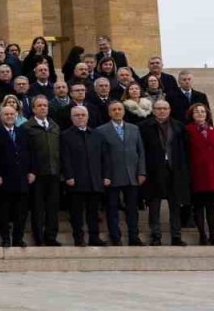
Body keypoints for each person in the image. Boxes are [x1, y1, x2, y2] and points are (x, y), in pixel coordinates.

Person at [139, 99, 190, 246]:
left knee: (175, 206)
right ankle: (156, 236)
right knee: (154, 206)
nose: (162, 111)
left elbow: (185, 151)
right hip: (154, 171)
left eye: (165, 108)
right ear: (153, 110)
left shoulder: (179, 127)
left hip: (175, 171)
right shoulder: (144, 127)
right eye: (158, 108)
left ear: (170, 110)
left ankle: (176, 236)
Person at [97, 102, 146, 246]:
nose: (117, 112)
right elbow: (99, 156)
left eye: (119, 109)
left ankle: (134, 237)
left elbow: (140, 152)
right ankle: (115, 237)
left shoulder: (134, 129)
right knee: (112, 208)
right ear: (109, 113)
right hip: (111, 175)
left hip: (132, 174)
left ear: (124, 112)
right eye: (114, 110)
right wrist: (104, 175)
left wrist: (141, 171)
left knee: (132, 209)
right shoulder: (101, 130)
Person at [61, 106, 107, 246]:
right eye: (77, 115)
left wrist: (106, 176)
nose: (80, 117)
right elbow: (65, 158)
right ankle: (79, 238)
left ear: (87, 117)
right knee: (76, 213)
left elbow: (104, 157)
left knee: (93, 212)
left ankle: (94, 237)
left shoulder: (97, 135)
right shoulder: (65, 135)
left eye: (83, 115)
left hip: (94, 180)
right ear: (72, 118)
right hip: (75, 181)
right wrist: (68, 176)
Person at [185, 103, 214, 245]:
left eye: (203, 111)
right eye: (196, 112)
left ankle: (213, 236)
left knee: (211, 207)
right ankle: (202, 235)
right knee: (198, 206)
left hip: (213, 174)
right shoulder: (187, 130)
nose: (200, 114)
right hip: (196, 174)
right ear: (192, 115)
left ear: (207, 114)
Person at [0, 105, 31, 248]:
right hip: (4, 179)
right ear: (1, 116)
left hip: (21, 178)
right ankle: (6, 238)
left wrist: (31, 171)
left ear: (16, 116)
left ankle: (18, 238)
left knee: (21, 213)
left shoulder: (23, 132)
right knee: (4, 212)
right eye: (6, 114)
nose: (9, 116)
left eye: (12, 114)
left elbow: (30, 153)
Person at [23, 96, 63, 246]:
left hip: (54, 172)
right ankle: (38, 237)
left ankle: (51, 236)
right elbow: (26, 151)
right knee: (38, 207)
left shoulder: (54, 126)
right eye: (39, 106)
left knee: (53, 207)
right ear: (33, 109)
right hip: (37, 174)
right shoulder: (27, 127)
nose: (42, 108)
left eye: (45, 105)